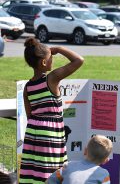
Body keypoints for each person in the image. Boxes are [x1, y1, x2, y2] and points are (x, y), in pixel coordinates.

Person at [19, 38, 84, 183]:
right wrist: (59, 49)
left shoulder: (27, 87)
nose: (52, 59)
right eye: (51, 58)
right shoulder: (52, 78)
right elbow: (79, 60)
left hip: (33, 132)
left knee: (34, 169)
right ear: (43, 62)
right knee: (50, 171)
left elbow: (29, 114)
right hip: (50, 133)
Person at [46, 135, 112, 184]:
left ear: (85, 151)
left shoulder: (68, 166)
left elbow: (49, 181)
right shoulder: (104, 174)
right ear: (105, 160)